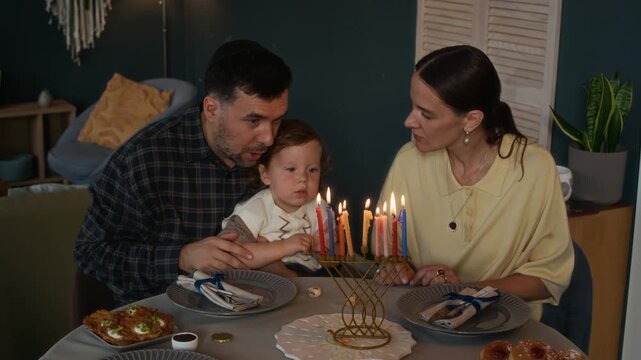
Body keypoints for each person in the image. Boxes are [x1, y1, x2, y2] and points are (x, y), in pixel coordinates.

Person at [75, 39, 292, 305]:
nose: (269, 138)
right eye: (253, 121)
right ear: (211, 109)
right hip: (162, 318)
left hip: (254, 308)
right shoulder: (144, 159)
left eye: (277, 120)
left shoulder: (279, 153)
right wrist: (182, 257)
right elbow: (91, 254)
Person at [377, 45, 574, 319]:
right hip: (422, 318)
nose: (409, 121)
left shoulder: (534, 169)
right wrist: (396, 267)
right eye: (413, 106)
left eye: (427, 114)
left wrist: (465, 289)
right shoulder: (408, 162)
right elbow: (387, 251)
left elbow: (547, 279)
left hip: (502, 327)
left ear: (471, 119)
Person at [220, 119, 331, 276]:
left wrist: (326, 250)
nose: (303, 179)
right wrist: (284, 247)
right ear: (265, 175)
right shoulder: (256, 210)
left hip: (312, 282)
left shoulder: (319, 208)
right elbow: (231, 255)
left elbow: (333, 262)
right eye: (291, 169)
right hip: (266, 285)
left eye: (312, 170)